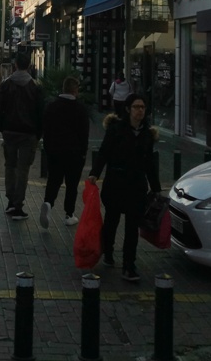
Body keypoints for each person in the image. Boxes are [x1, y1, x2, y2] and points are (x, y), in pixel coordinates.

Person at [87, 95, 161, 282]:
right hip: (116, 183)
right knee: (111, 221)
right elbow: (104, 152)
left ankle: (129, 265)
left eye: (142, 107)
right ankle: (108, 251)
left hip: (137, 186)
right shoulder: (116, 129)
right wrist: (95, 173)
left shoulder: (147, 134)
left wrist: (156, 188)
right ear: (128, 109)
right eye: (136, 107)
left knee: (132, 227)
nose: (140, 110)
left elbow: (149, 163)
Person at [0, 53, 43, 221]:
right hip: (28, 133)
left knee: (10, 166)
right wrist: (38, 133)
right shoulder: (35, 86)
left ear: (15, 65)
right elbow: (40, 112)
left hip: (9, 131)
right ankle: (18, 205)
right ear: (29, 65)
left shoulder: (6, 84)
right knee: (23, 169)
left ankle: (10, 200)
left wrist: (2, 127)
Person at [40, 76, 89, 229]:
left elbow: (45, 130)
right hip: (74, 153)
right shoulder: (80, 109)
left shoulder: (51, 106)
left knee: (54, 180)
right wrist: (83, 153)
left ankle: (48, 203)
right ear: (75, 90)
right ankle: (69, 214)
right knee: (72, 184)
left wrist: (48, 148)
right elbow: (84, 134)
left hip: (54, 151)